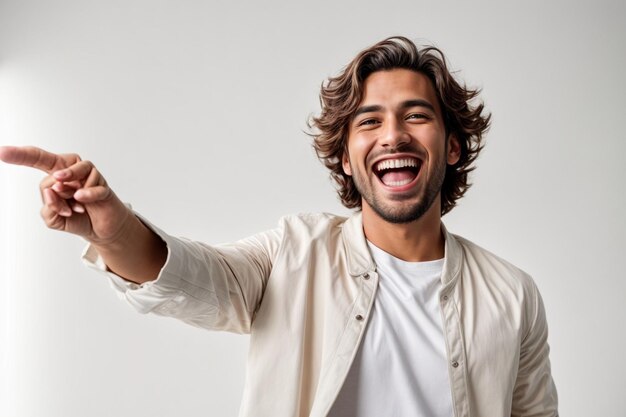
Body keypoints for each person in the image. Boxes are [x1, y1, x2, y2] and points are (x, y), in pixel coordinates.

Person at [0, 36, 558, 416]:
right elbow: (199, 281)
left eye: (416, 115)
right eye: (370, 121)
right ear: (345, 156)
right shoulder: (295, 252)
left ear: (453, 145)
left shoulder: (513, 294)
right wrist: (114, 229)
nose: (393, 135)